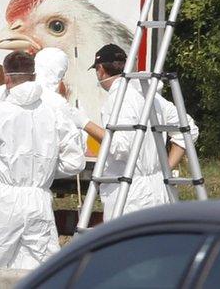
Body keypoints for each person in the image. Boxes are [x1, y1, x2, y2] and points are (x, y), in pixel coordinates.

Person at [0, 51, 85, 269]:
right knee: (39, 270)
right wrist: (46, 169)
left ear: (6, 77)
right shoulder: (54, 111)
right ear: (33, 75)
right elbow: (75, 162)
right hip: (38, 199)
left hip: (3, 198)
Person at [86, 44, 200, 220]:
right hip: (158, 187)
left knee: (127, 247)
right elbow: (188, 128)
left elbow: (120, 147)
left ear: (100, 69)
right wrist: (166, 167)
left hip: (129, 193)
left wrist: (85, 124)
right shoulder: (149, 96)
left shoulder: (118, 99)